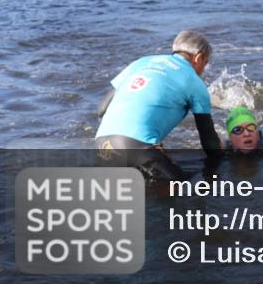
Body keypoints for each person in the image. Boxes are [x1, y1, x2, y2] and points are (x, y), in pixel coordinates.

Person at [95, 30, 222, 181]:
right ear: (198, 58)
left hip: (102, 144)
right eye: (205, 63)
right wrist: (221, 167)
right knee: (185, 191)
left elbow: (101, 109)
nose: (203, 70)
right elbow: (208, 140)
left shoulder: (141, 62)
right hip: (137, 147)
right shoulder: (194, 81)